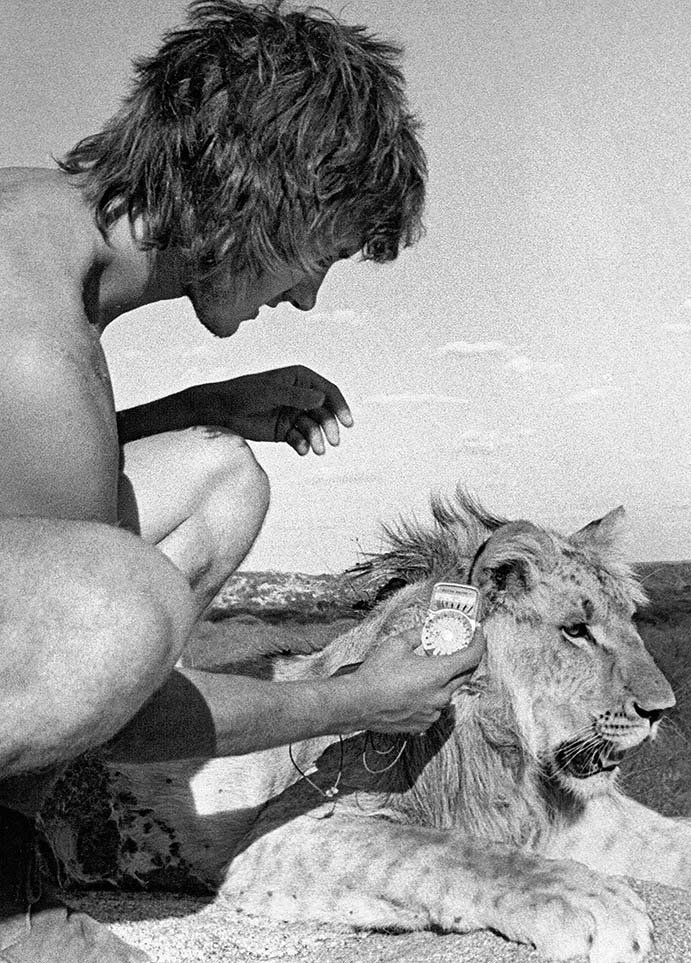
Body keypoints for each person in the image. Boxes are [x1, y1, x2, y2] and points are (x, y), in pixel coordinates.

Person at [0, 2, 485, 960]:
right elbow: (118, 706)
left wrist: (198, 402)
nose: (305, 298)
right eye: (322, 255)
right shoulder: (30, 342)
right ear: (260, 197)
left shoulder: (35, 219)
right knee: (116, 600)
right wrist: (360, 699)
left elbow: (25, 482)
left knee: (220, 471)